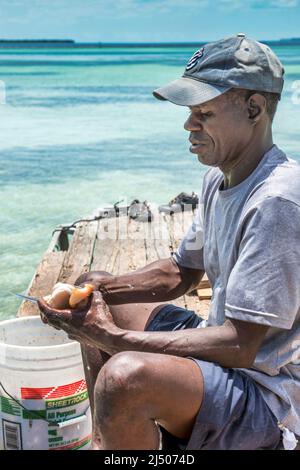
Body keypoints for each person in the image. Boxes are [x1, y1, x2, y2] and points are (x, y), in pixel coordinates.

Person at [38, 34, 300, 450]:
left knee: (124, 376)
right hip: (224, 353)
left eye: (204, 113)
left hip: (266, 398)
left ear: (254, 108)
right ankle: (115, 443)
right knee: (96, 292)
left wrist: (112, 339)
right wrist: (92, 291)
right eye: (190, 112)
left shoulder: (278, 202)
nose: (189, 125)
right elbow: (180, 272)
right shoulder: (220, 177)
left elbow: (240, 345)